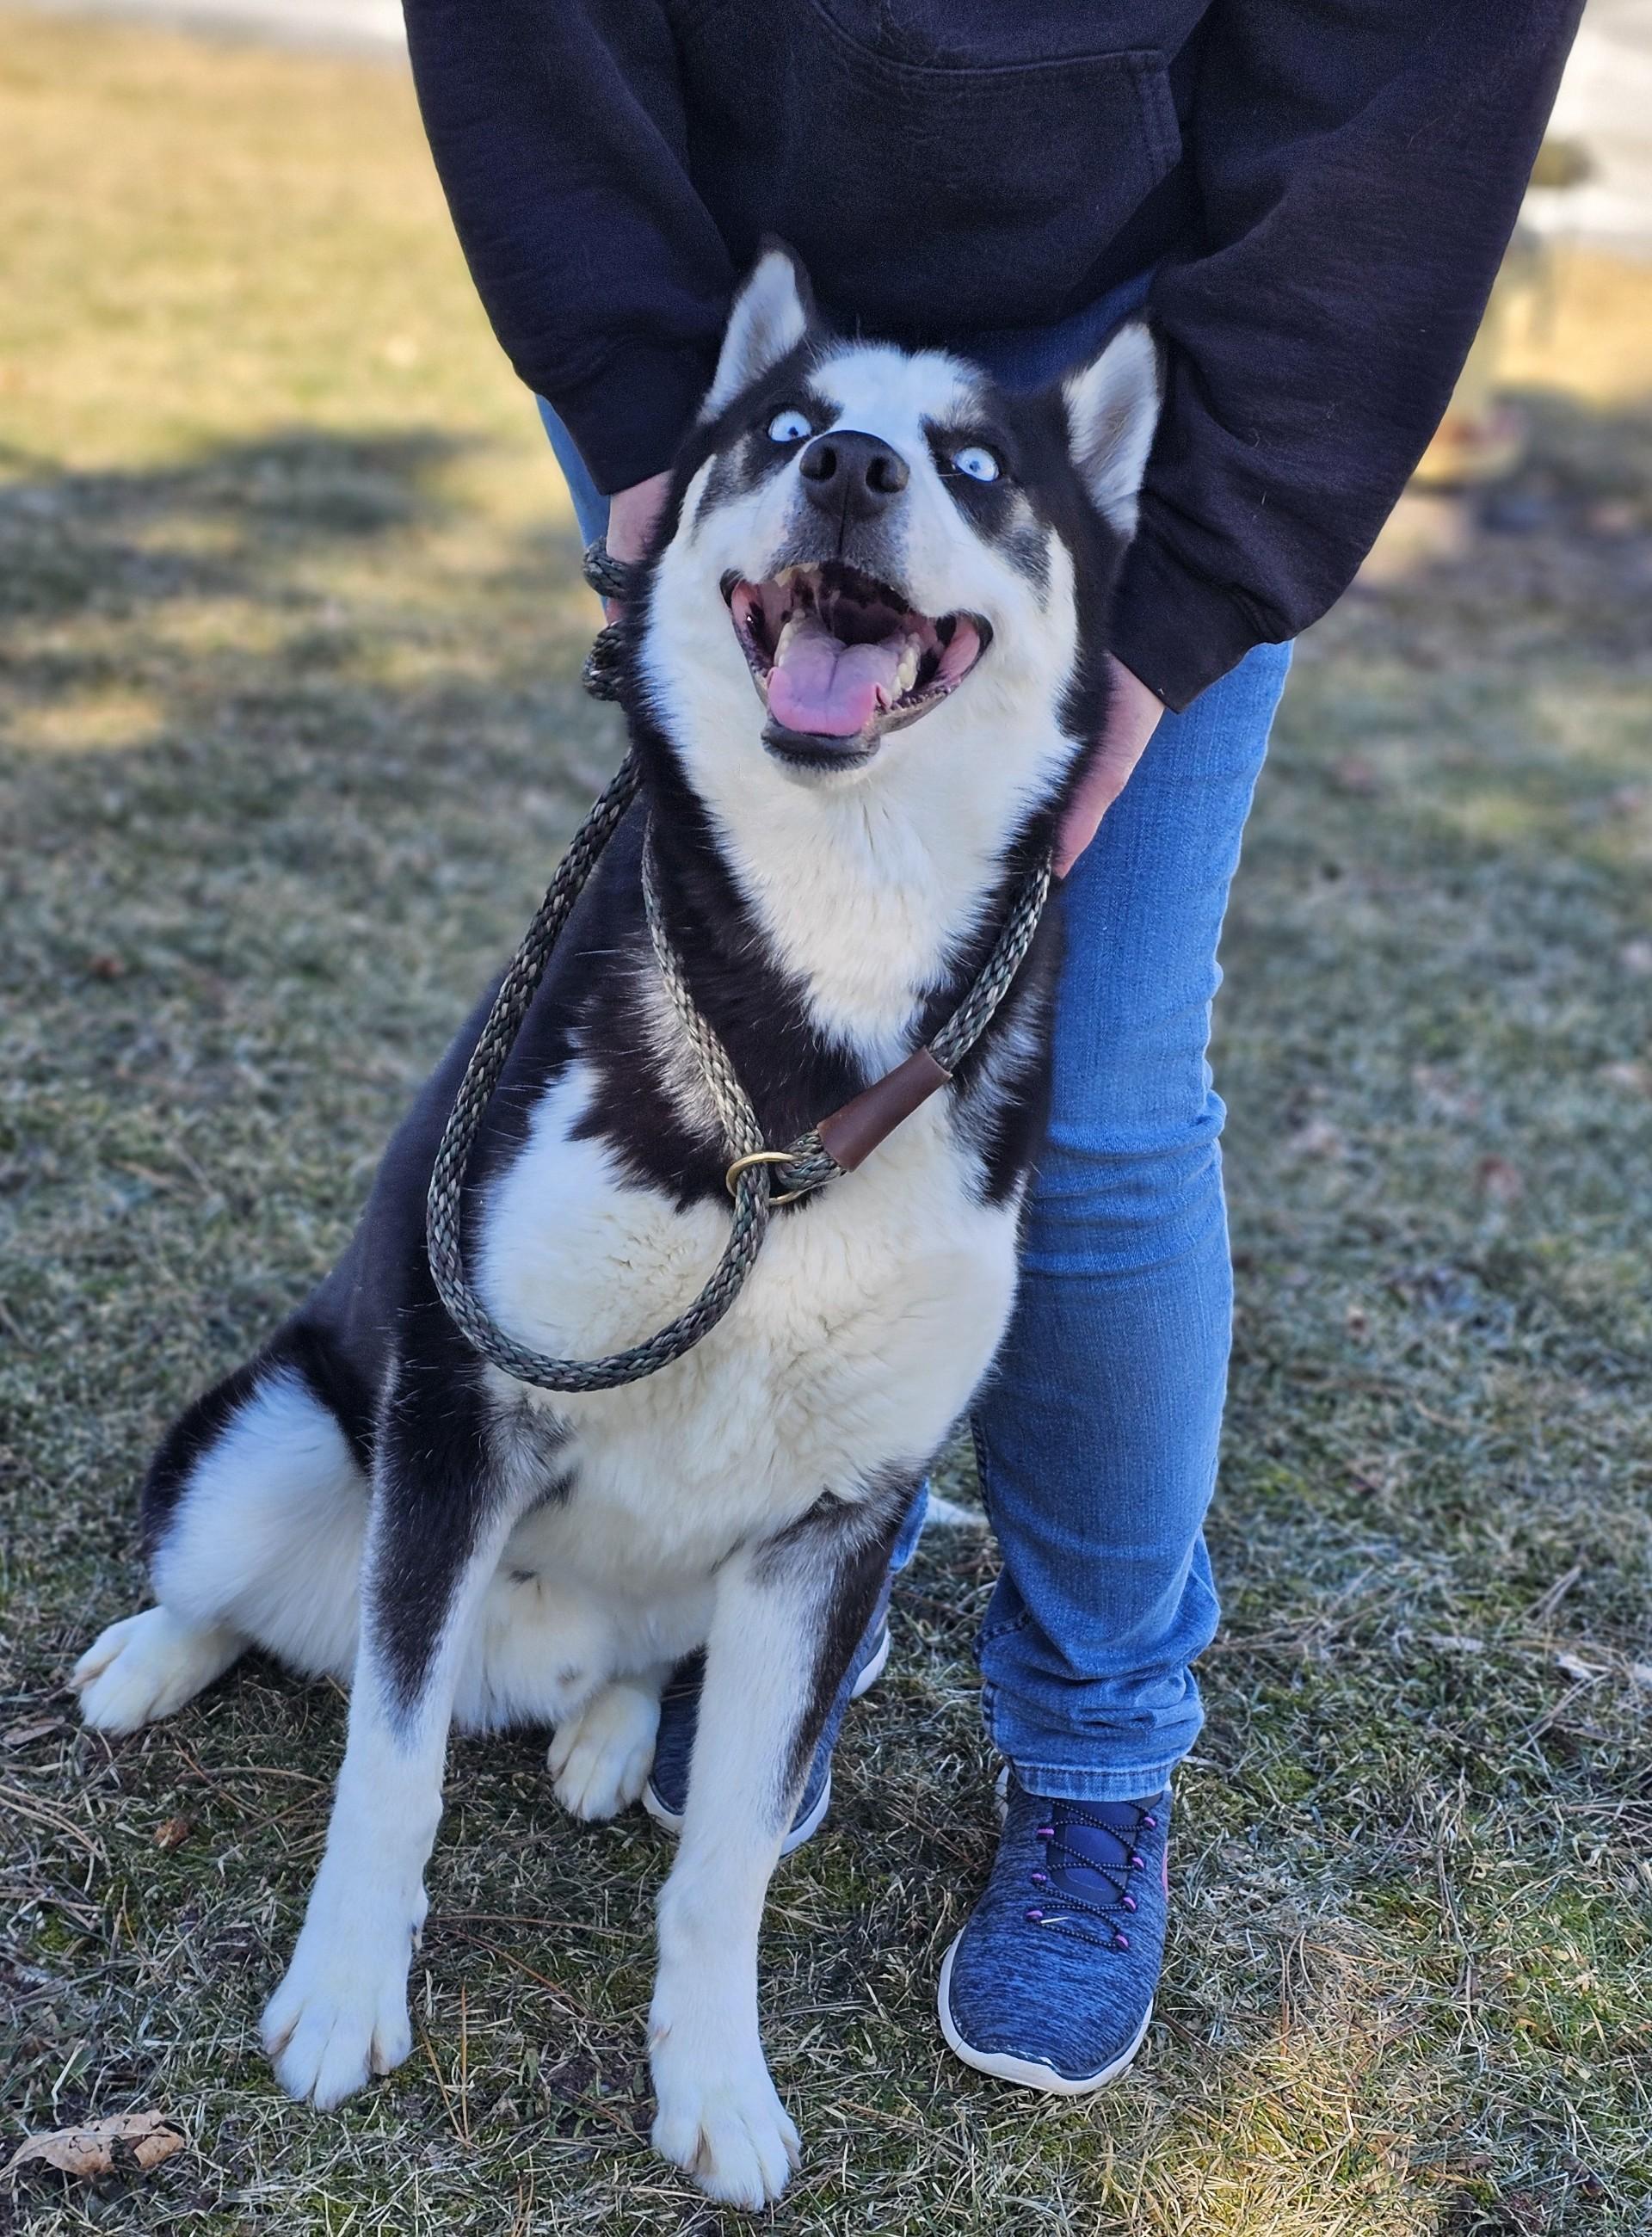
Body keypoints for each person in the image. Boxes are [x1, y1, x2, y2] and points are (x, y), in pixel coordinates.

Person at [398, 0, 1581, 2093]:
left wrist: (1186, 569)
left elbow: (1414, 86)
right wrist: (645, 386)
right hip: (727, 314)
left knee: (1099, 1093)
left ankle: (1100, 1749)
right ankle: (793, 1611)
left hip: (1137, 353)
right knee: (750, 1044)